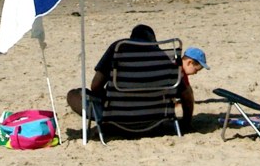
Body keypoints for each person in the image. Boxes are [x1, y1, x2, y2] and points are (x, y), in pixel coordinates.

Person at [67, 24, 197, 132]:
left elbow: (95, 86)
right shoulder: (162, 57)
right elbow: (186, 93)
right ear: (153, 41)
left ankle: (106, 121)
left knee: (73, 95)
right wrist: (186, 124)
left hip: (117, 118)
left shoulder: (118, 48)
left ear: (132, 38)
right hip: (155, 120)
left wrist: (105, 97)